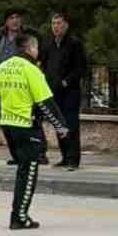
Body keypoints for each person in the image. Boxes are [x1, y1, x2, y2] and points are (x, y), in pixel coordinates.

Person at [0, 31, 68, 229]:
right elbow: (45, 102)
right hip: (26, 126)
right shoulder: (31, 70)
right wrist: (60, 126)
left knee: (23, 170)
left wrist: (2, 117)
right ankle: (19, 217)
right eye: (37, 48)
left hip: (9, 126)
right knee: (28, 172)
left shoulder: (2, 67)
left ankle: (19, 214)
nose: (38, 51)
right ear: (30, 48)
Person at [40, 11, 88, 171]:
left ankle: (73, 159)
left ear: (66, 25)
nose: (56, 27)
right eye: (54, 23)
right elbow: (44, 64)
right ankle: (65, 156)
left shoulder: (74, 43)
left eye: (59, 23)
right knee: (59, 124)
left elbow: (80, 67)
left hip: (70, 91)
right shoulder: (48, 44)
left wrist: (66, 81)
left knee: (71, 124)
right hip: (53, 91)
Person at [0, 9, 26, 164]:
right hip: (2, 86)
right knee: (6, 123)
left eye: (17, 17)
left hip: (19, 86)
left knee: (22, 122)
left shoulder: (25, 38)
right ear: (6, 21)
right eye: (11, 18)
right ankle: (15, 155)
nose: (15, 21)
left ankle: (30, 153)